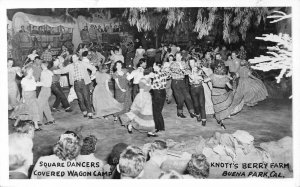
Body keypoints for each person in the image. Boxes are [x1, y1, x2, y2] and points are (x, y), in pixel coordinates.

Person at [53, 54, 96, 119]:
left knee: (86, 98)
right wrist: (55, 71)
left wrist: (92, 75)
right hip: (76, 84)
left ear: (78, 57)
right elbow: (63, 70)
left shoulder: (83, 63)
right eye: (72, 58)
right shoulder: (70, 66)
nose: (73, 59)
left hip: (84, 82)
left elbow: (93, 68)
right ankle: (84, 111)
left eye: (75, 57)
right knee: (80, 99)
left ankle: (90, 112)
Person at [206, 63, 244, 129]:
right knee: (222, 107)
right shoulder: (225, 78)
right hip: (222, 93)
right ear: (223, 70)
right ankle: (221, 119)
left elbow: (205, 80)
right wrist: (233, 88)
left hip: (214, 93)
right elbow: (229, 87)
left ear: (215, 70)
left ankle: (219, 119)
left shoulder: (212, 76)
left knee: (216, 106)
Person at [10, 66, 41, 130]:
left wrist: (39, 84)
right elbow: (23, 89)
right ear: (28, 72)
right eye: (31, 70)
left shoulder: (32, 77)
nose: (32, 71)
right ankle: (16, 123)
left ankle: (36, 126)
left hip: (33, 94)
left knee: (34, 110)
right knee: (23, 110)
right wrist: (23, 98)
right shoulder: (24, 80)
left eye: (32, 70)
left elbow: (34, 85)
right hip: (27, 96)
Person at [168, 52, 196, 118]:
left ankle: (192, 112)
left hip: (182, 82)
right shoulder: (172, 64)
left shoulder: (184, 63)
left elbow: (188, 72)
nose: (177, 58)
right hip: (175, 82)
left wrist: (183, 70)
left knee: (188, 97)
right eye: (176, 56)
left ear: (181, 57)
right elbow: (174, 70)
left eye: (179, 56)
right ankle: (179, 112)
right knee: (180, 98)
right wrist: (182, 69)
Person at [188, 58, 207, 126]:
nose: (191, 64)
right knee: (196, 104)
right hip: (193, 88)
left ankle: (204, 119)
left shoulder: (200, 70)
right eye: (190, 63)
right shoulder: (189, 71)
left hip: (200, 88)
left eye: (192, 63)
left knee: (202, 104)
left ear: (195, 63)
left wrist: (201, 77)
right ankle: (198, 114)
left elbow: (205, 77)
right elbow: (191, 80)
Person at [151, 63, 169, 133]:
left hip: (157, 93)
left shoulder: (156, 74)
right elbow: (168, 76)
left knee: (156, 111)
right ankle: (161, 127)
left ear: (158, 67)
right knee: (158, 110)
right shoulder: (163, 73)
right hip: (163, 92)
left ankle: (157, 127)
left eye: (154, 66)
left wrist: (150, 86)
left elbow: (158, 85)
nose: (153, 67)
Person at [36, 61, 55, 125]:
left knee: (39, 105)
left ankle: (39, 121)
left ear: (43, 65)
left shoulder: (43, 72)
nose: (41, 66)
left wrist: (35, 84)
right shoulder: (49, 72)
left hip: (44, 89)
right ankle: (50, 119)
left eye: (41, 65)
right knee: (45, 105)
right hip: (47, 89)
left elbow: (44, 82)